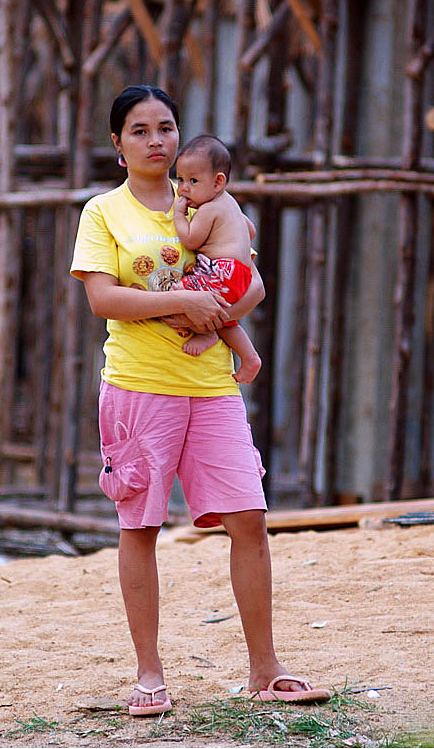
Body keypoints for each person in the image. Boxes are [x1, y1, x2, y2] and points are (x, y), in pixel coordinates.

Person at [70, 85, 330, 715]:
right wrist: (184, 301)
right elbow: (102, 299)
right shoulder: (104, 212)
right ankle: (149, 675)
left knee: (249, 518)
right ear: (117, 144)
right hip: (139, 386)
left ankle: (266, 668)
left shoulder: (210, 200)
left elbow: (252, 284)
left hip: (213, 386)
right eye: (139, 131)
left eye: (165, 127)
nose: (155, 140)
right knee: (141, 525)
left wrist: (214, 319)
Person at [171, 134, 262, 384]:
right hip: (240, 274)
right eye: (180, 179)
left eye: (193, 181)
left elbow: (191, 240)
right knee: (224, 318)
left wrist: (179, 216)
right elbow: (251, 230)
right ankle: (250, 357)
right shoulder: (230, 204)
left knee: (178, 293)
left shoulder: (208, 209)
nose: (183, 188)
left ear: (218, 182)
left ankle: (205, 333)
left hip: (222, 271)